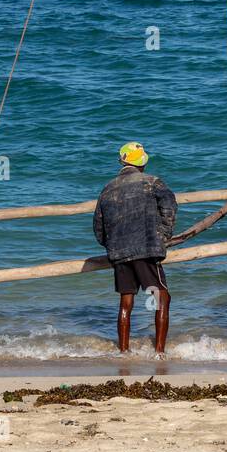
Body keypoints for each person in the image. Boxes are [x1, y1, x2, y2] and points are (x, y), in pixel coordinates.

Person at [93, 142, 177, 356]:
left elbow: (98, 227)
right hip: (146, 247)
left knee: (126, 300)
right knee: (161, 297)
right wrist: (164, 236)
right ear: (142, 162)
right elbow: (169, 204)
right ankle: (159, 351)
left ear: (123, 161)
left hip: (119, 252)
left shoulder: (108, 188)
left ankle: (124, 351)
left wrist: (112, 245)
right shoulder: (152, 182)